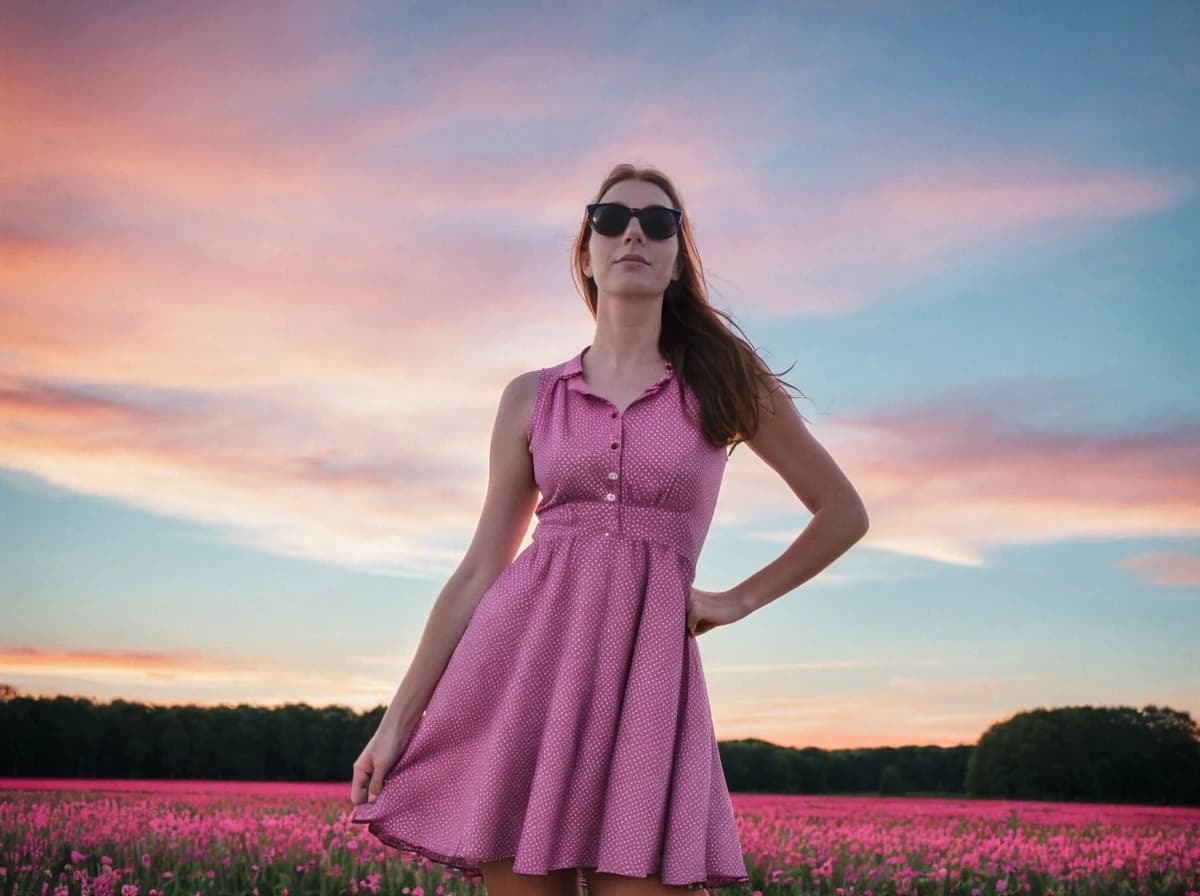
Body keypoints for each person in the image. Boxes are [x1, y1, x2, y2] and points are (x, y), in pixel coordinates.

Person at [348, 163, 870, 895]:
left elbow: (842, 512)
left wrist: (735, 600)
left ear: (677, 258)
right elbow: (478, 570)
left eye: (658, 223)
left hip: (648, 684)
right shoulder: (531, 396)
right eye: (612, 218)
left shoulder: (724, 382)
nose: (634, 233)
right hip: (521, 672)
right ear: (585, 251)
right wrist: (395, 723)